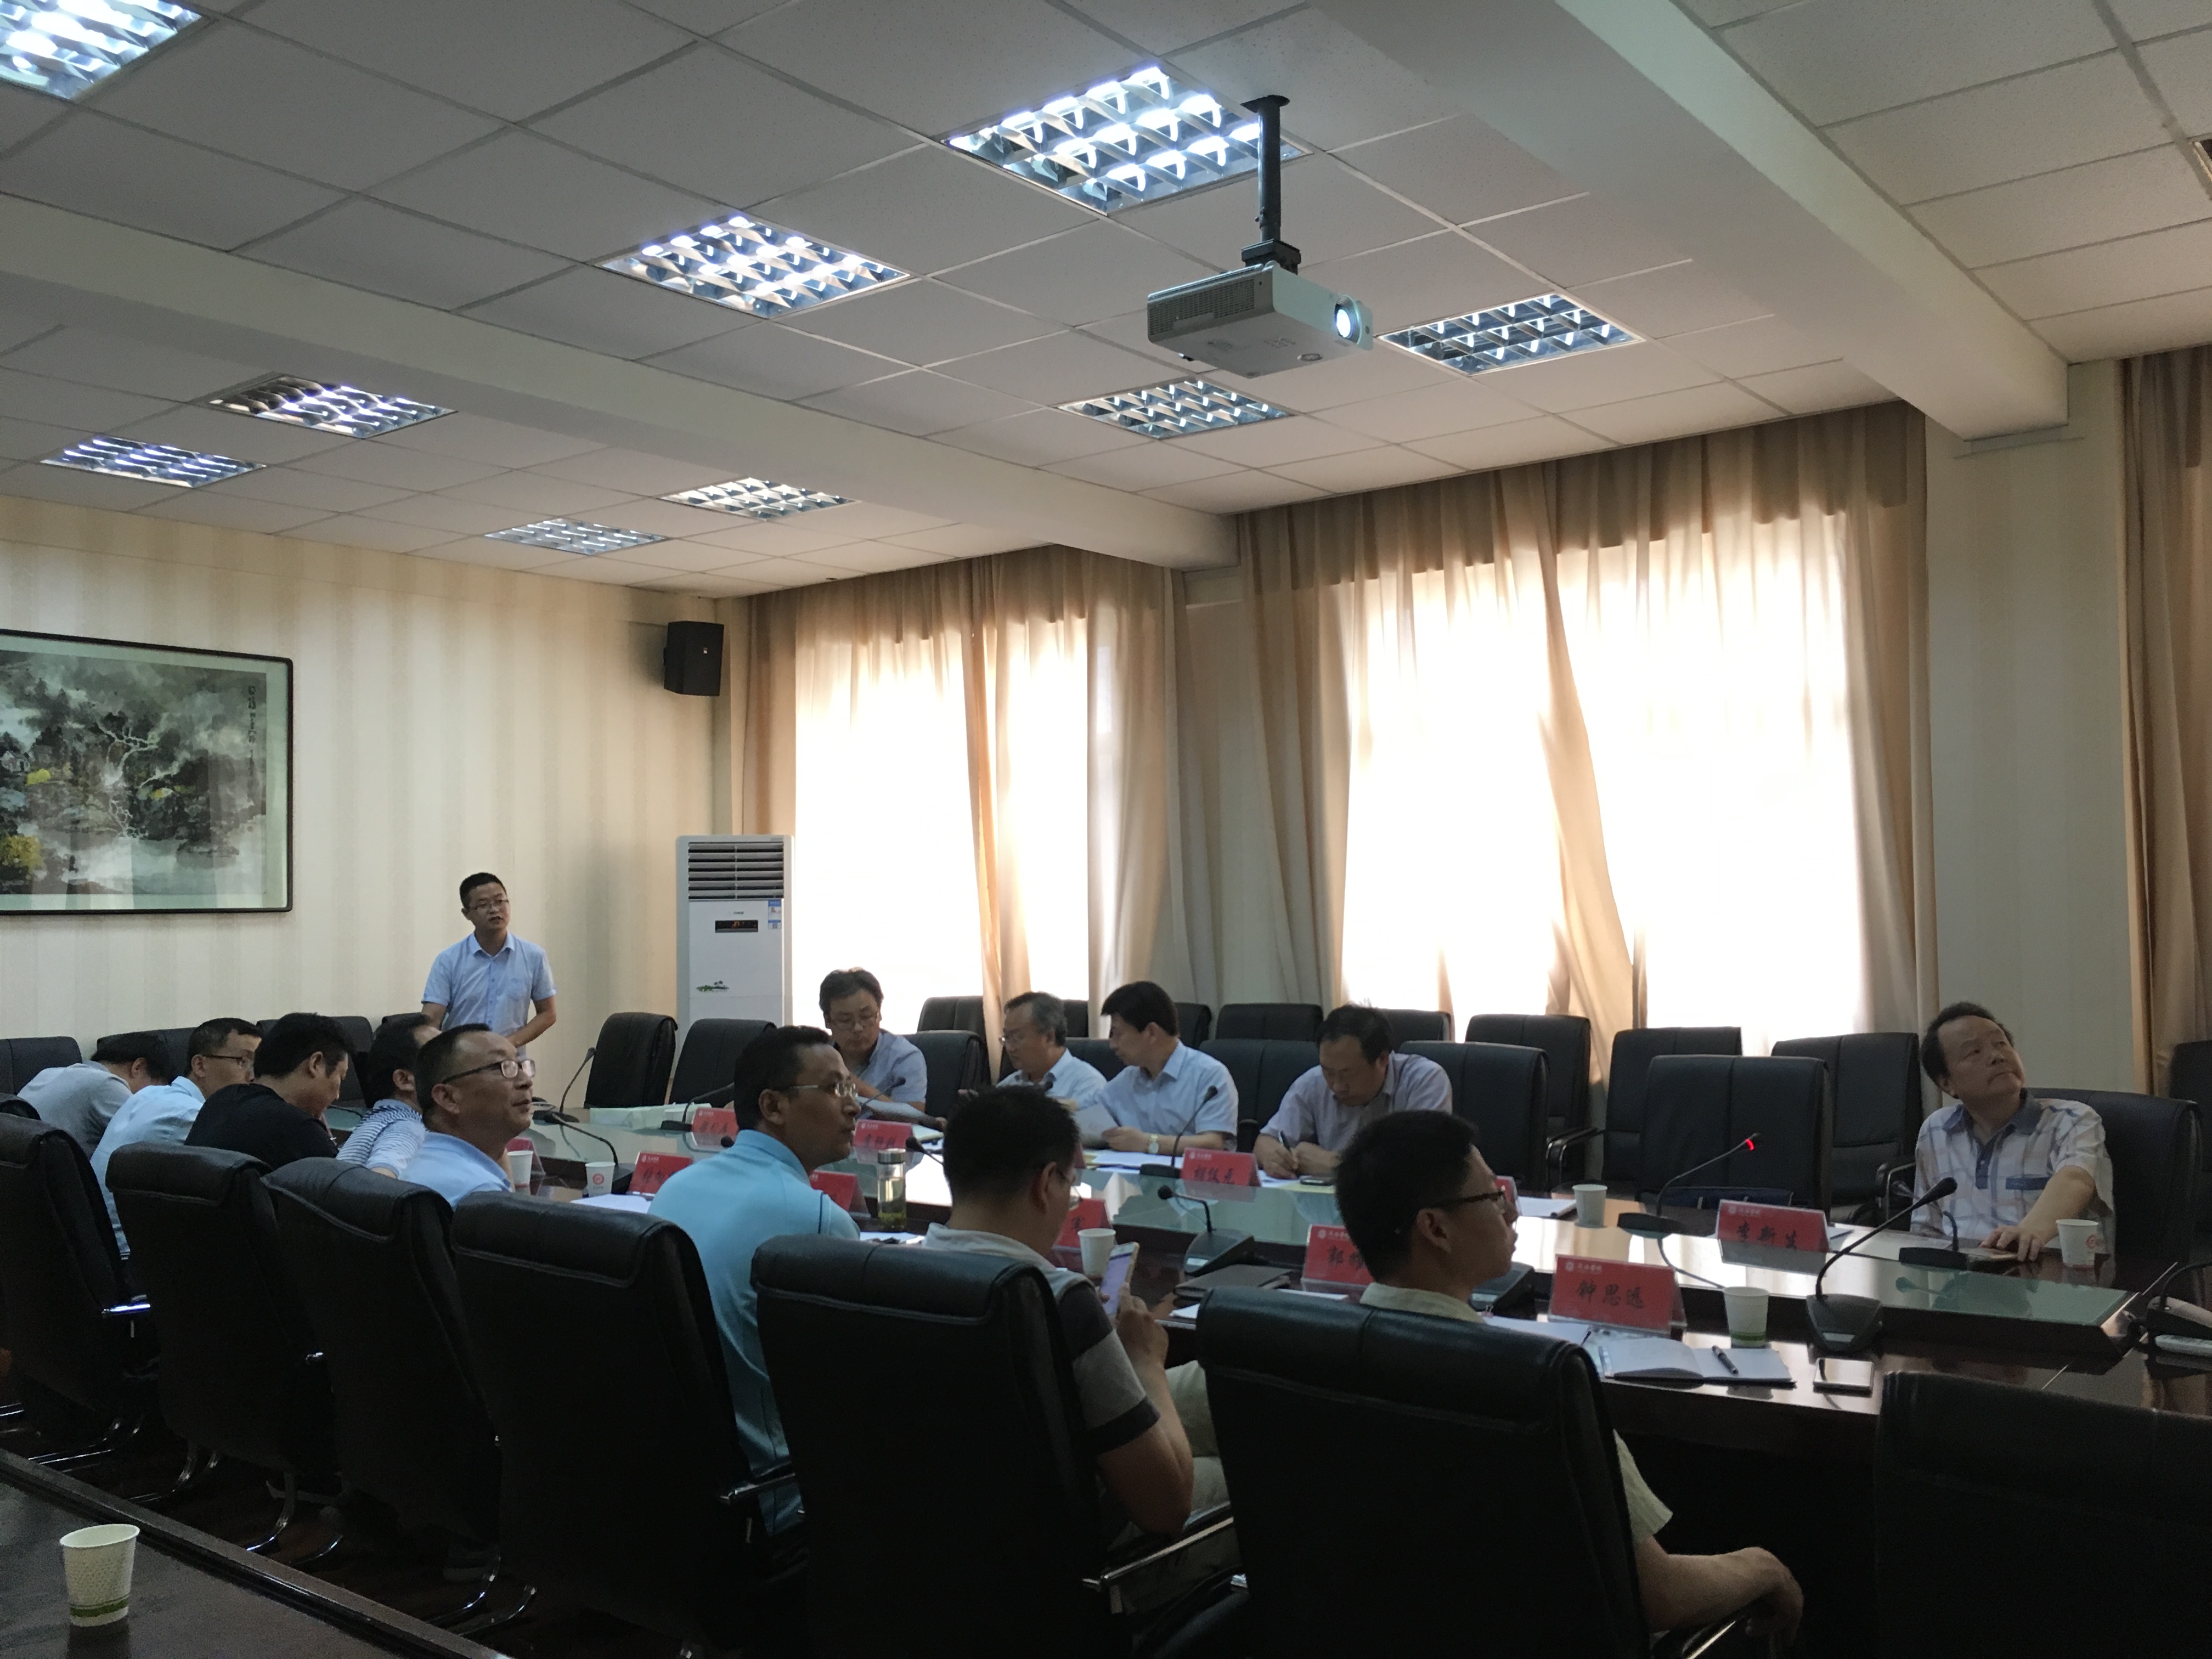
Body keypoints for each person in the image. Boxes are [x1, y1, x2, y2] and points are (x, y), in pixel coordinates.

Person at [1333, 1111, 1803, 1644]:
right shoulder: (1536, 1383)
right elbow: (1662, 1595)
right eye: (1492, 1197)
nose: (1511, 1210)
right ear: (1435, 1229)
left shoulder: (1311, 1353)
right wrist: (1764, 1567)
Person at [917, 1085, 1196, 1537]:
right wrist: (1146, 1363)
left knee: (1207, 1387)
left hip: (936, 1533)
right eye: (1070, 1185)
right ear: (1046, 1184)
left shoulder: (896, 1274)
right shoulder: (1059, 1301)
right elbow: (1167, 1509)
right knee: (1244, 1475)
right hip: (1079, 1551)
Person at [652, 1025, 861, 1534]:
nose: (854, 1106)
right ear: (773, 1106)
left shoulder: (679, 1186)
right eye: (834, 1089)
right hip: (774, 1494)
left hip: (679, 1482)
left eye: (851, 1087)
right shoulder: (817, 1219)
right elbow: (852, 1381)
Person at [1914, 1001, 2112, 1261]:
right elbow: (1926, 1230)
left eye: (2001, 1044)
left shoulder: (2072, 1119)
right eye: (1974, 1051)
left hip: (2048, 1272)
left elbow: (2076, 1179)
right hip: (1962, 1276)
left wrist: (2030, 1231)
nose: (1997, 1056)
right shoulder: (1936, 1130)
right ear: (1947, 1083)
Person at [90, 1017, 261, 1252]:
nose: (252, 1076)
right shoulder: (189, 1115)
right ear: (200, 1065)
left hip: (101, 1244)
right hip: (130, 1255)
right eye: (242, 1061)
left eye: (257, 1065)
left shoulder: (151, 1094)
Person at [1255, 1004, 1451, 1179]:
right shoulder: (1313, 1082)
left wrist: (1337, 1165)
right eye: (1328, 1072)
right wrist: (1275, 1157)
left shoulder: (1424, 1080)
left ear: (1383, 1059)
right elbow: (1265, 1141)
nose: (1337, 1086)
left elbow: (1424, 1164)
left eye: (1347, 1074)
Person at [184, 1012, 350, 1169]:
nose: (337, 1095)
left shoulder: (219, 1101)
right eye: (340, 1078)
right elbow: (348, 1185)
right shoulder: (299, 1128)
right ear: (315, 1064)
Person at [421, 872, 557, 1054]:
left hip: (510, 1060)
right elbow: (431, 1020)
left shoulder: (533, 956)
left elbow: (548, 1013)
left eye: (500, 901)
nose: (494, 910)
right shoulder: (448, 960)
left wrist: (509, 1043)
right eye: (483, 905)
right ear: (467, 914)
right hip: (461, 1060)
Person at [1095, 981, 1235, 1155]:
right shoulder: (1128, 1078)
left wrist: (1148, 1143)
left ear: (1151, 1032)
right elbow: (1091, 1113)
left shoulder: (1209, 1075)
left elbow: (1214, 1144)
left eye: (1118, 1034)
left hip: (1188, 1173)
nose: (1113, 1045)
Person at [405, 1025, 535, 1206]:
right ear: (448, 1097)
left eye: (520, 1066)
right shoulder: (480, 1193)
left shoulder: (424, 1162)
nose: (526, 1081)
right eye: (501, 1067)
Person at [19, 1031, 170, 1158]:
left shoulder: (48, 1073)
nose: (150, 1099)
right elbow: (152, 1143)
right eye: (155, 1090)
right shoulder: (107, 1084)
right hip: (59, 1179)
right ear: (138, 1067)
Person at [817, 967, 929, 1121]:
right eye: (845, 1020)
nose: (858, 1028)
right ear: (828, 1021)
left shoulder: (904, 1057)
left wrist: (855, 1086)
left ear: (879, 1014)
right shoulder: (816, 1057)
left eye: (866, 1016)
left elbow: (914, 1119)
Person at [336, 1015, 437, 1177]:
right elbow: (379, 1181)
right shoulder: (405, 1127)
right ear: (404, 1080)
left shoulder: (382, 1119)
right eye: (440, 1059)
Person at [1001, 991, 1109, 1125]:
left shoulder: (1088, 1084)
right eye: (1007, 1038)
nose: (1009, 1048)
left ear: (1049, 1037)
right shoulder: (1008, 1085)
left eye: (1017, 1038)